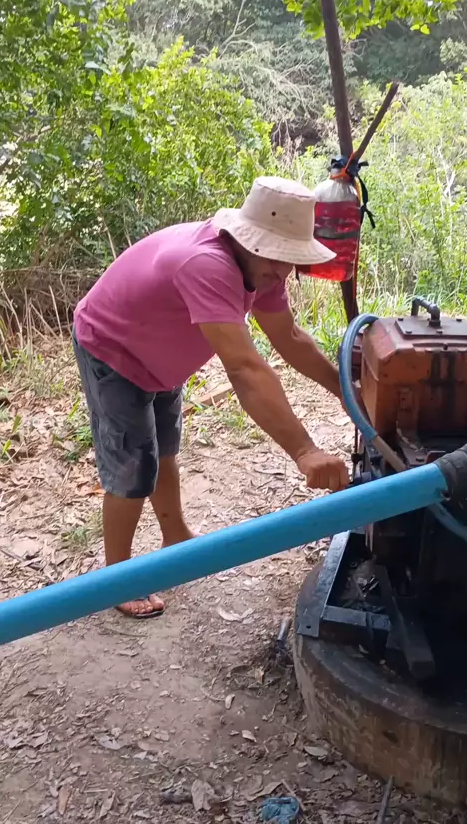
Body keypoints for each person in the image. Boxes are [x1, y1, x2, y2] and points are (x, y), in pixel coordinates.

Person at [73, 176, 350, 619]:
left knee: (165, 447)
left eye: (290, 259)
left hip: (160, 353)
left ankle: (175, 537)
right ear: (248, 239)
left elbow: (290, 337)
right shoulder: (207, 265)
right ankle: (116, 578)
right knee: (133, 466)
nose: (283, 271)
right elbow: (244, 367)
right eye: (277, 256)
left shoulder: (262, 266)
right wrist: (304, 450)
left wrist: (344, 389)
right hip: (113, 347)